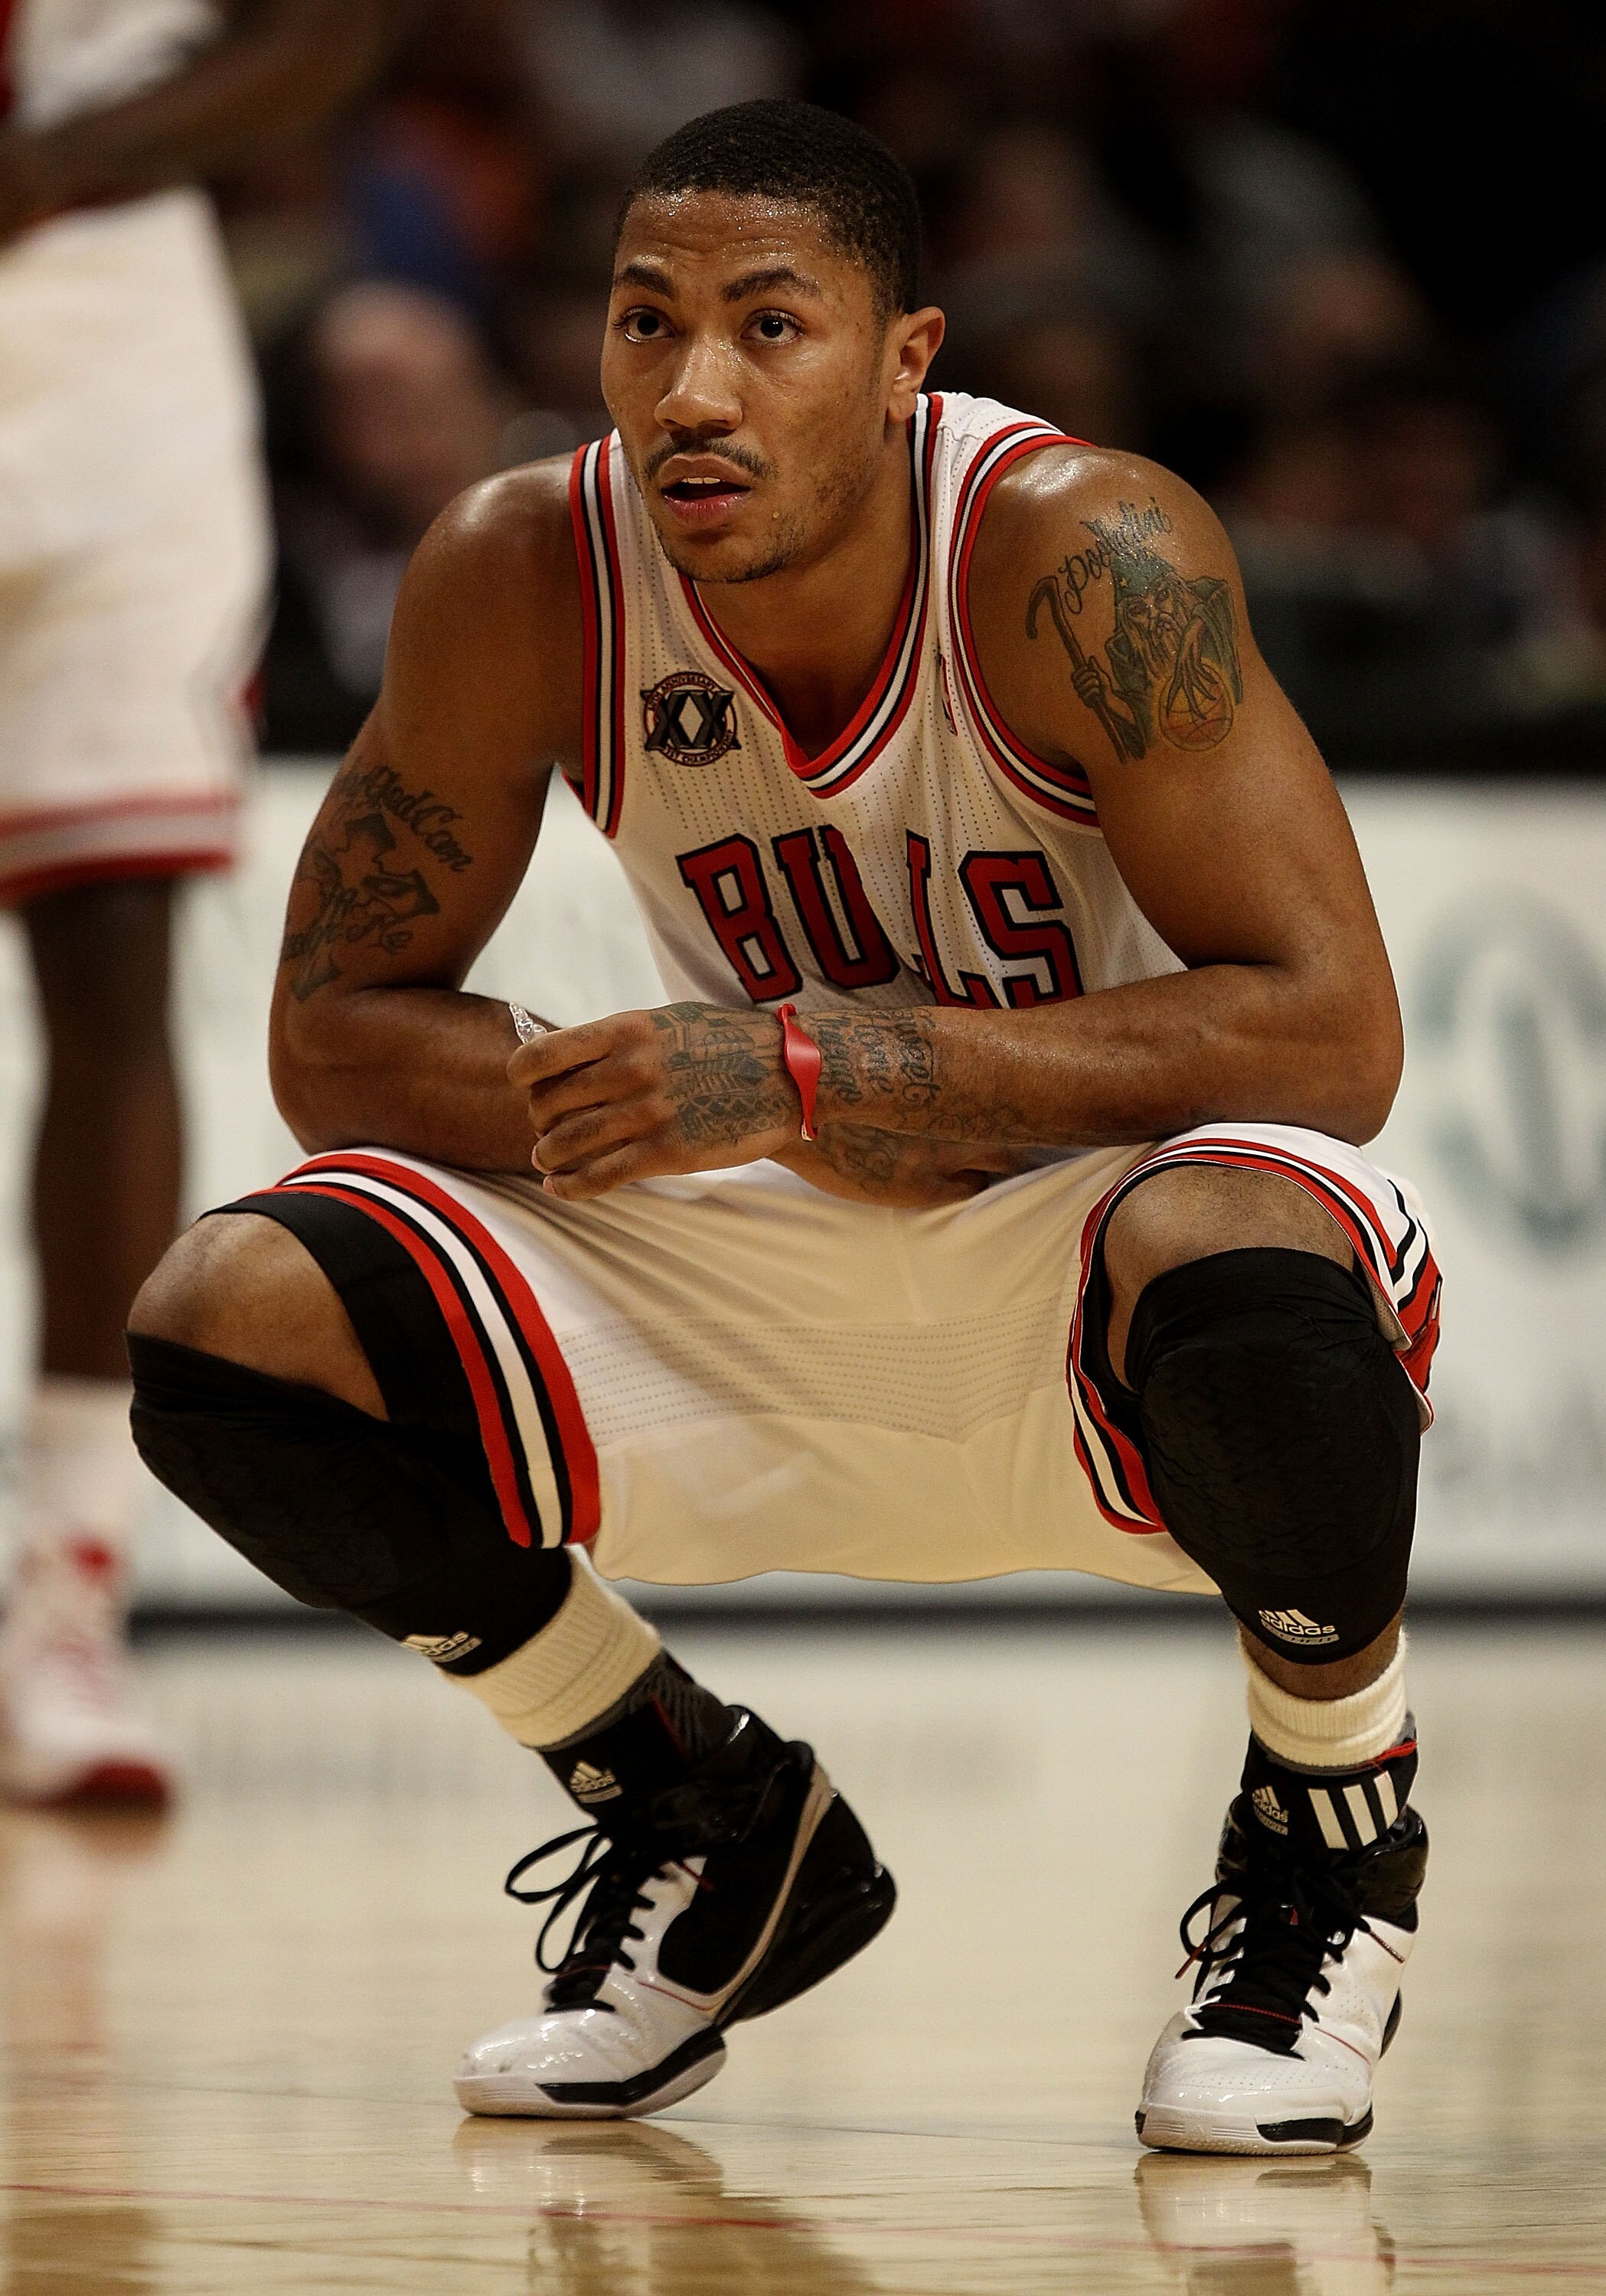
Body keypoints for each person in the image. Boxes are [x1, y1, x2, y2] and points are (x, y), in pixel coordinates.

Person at [126, 99, 1438, 2157]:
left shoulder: (1080, 549)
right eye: (645, 326)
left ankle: (1328, 1834)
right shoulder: (520, 566)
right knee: (234, 1308)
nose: (695, 389)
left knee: (1251, 1246)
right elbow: (334, 1034)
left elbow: (1331, 1031)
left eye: (768, 327)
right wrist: (660, 1093)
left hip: (1075, 1224)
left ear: (906, 358)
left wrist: (847, 1073)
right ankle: (703, 1816)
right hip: (749, 1233)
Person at [0, 0, 400, 1806]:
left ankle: (62, 1594)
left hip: (106, 343)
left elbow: (336, 28)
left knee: (115, 957)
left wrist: (61, 157)